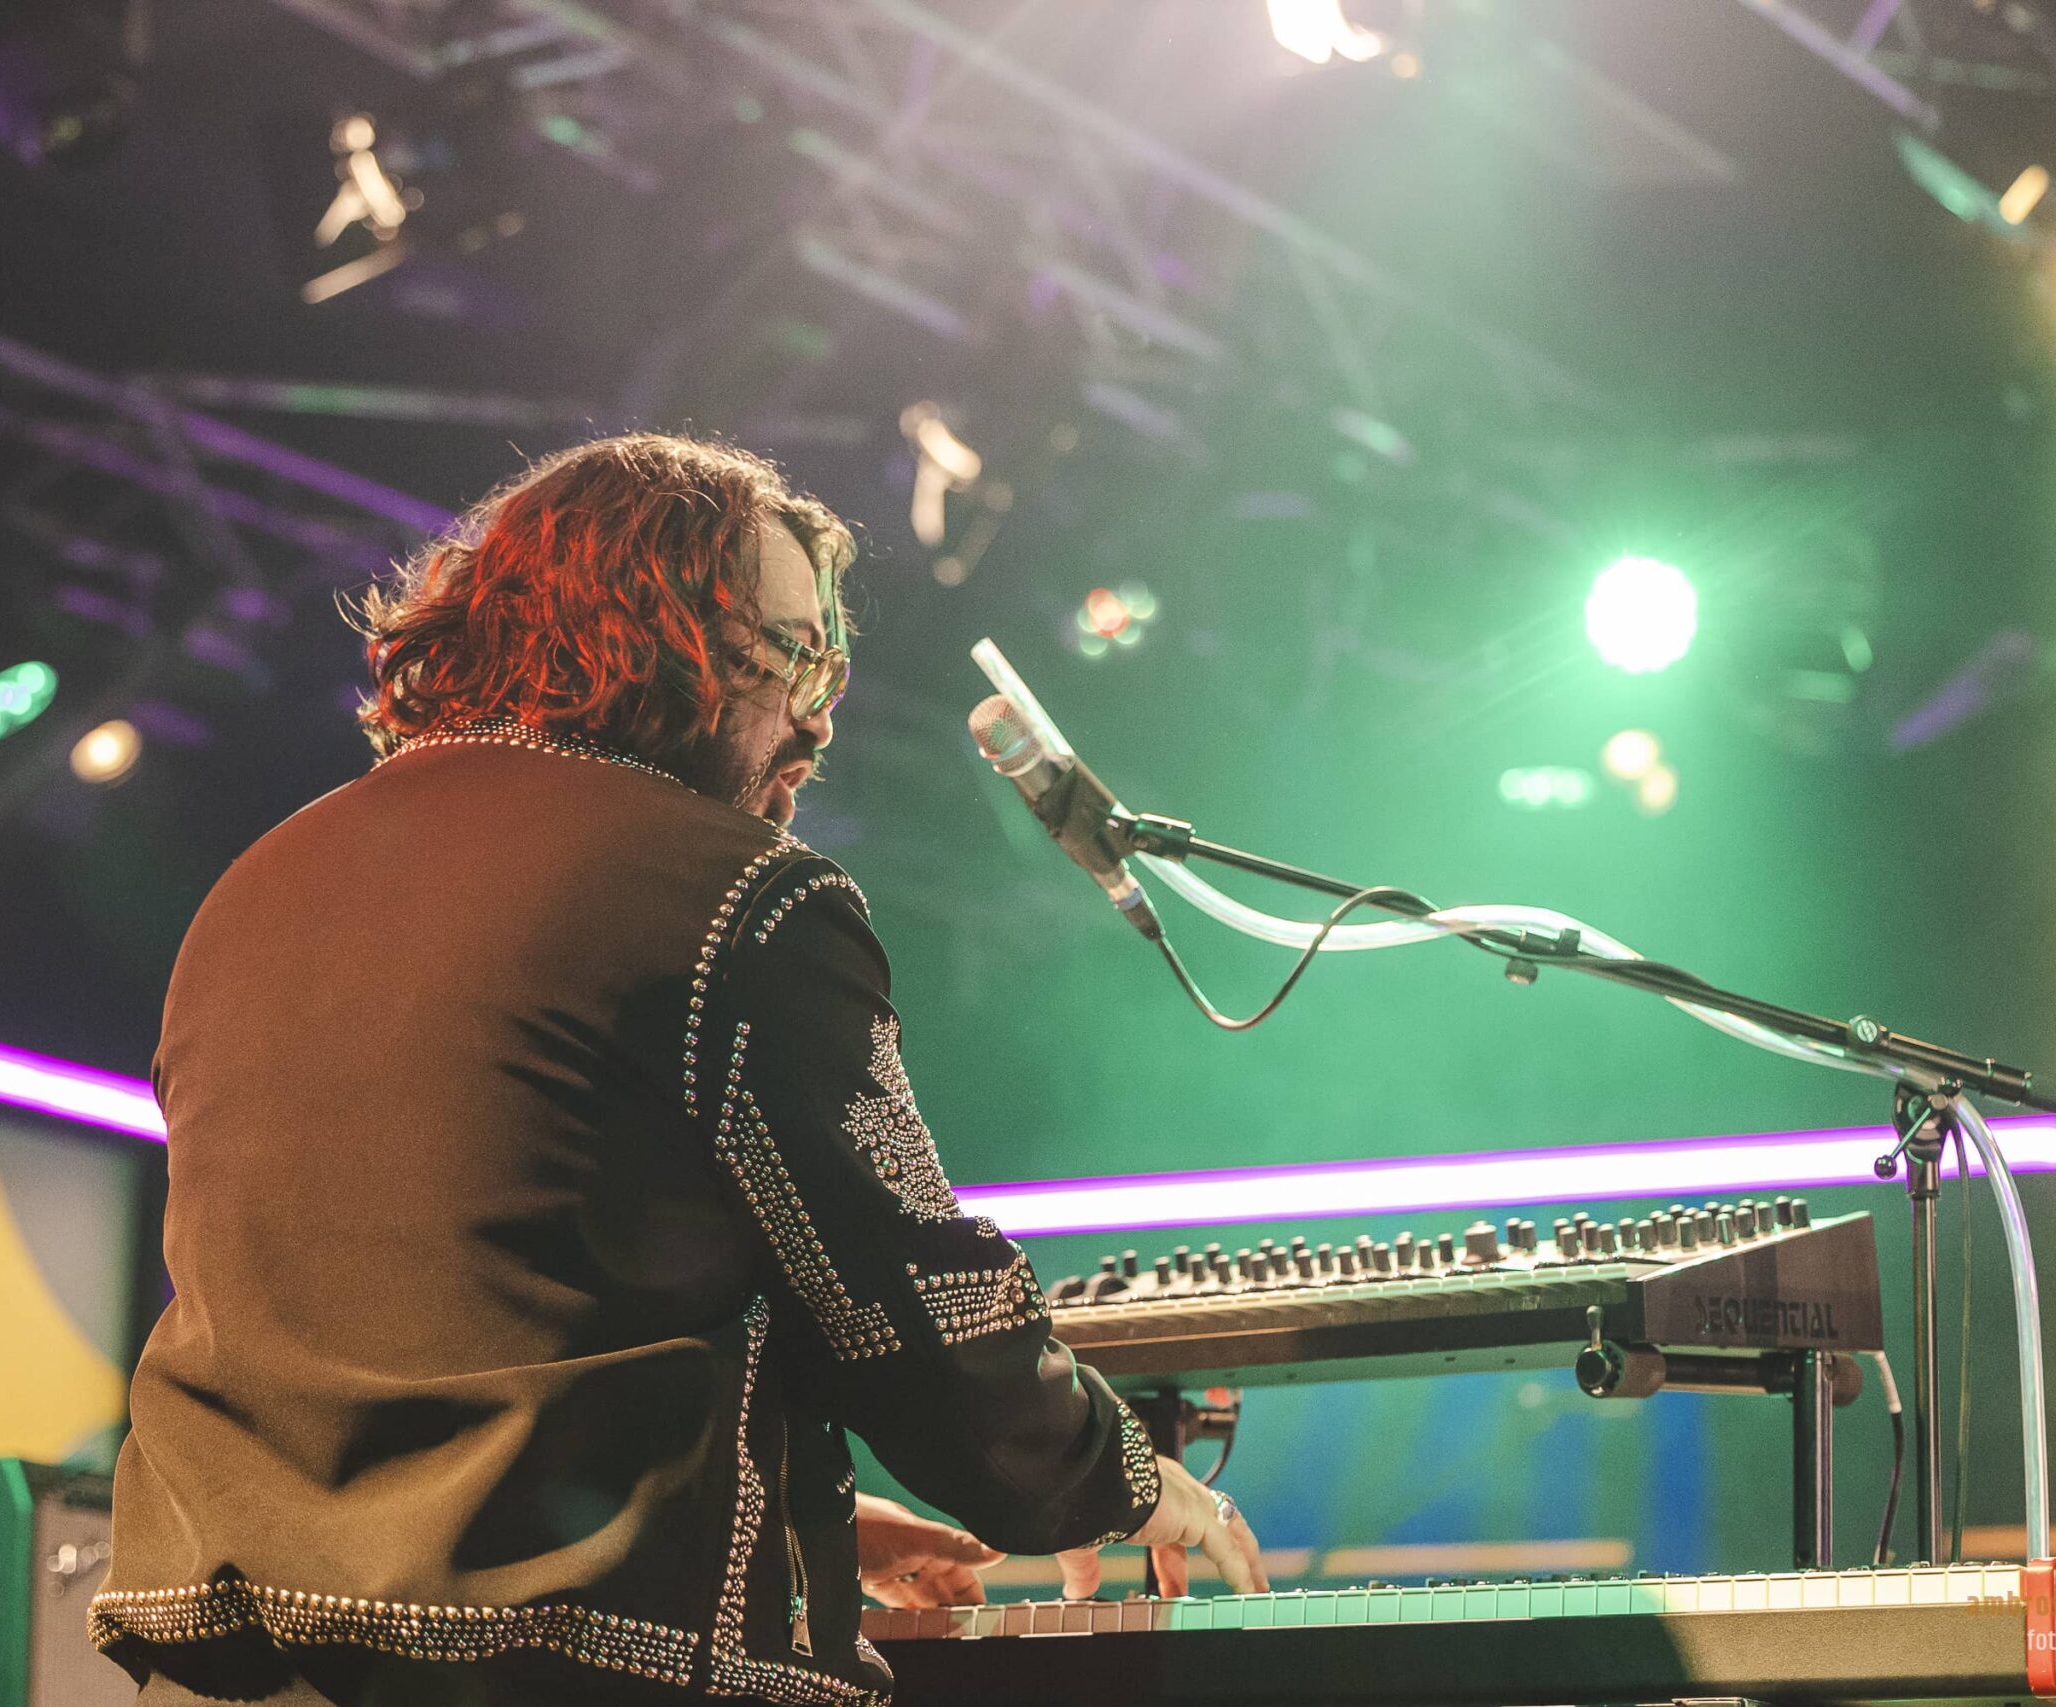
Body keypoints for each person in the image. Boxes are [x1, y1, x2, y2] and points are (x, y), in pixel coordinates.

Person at [91, 434, 1266, 1706]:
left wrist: (792, 1525)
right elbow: (909, 1308)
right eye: (793, 652)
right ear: (649, 629)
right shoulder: (737, 893)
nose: (819, 713)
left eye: (830, 666)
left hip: (224, 1667)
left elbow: (428, 1317)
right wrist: (1121, 1480)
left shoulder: (261, 885)